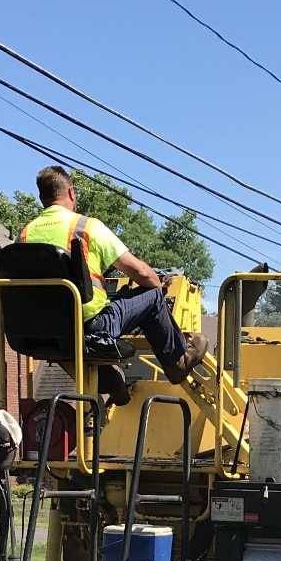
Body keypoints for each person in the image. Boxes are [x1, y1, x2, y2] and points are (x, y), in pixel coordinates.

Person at [19, 165, 208, 397]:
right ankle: (177, 362)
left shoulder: (25, 235)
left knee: (69, 332)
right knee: (153, 296)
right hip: (92, 327)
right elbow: (142, 273)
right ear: (70, 193)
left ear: (42, 198)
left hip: (45, 332)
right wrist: (159, 288)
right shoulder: (86, 227)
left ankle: (107, 379)